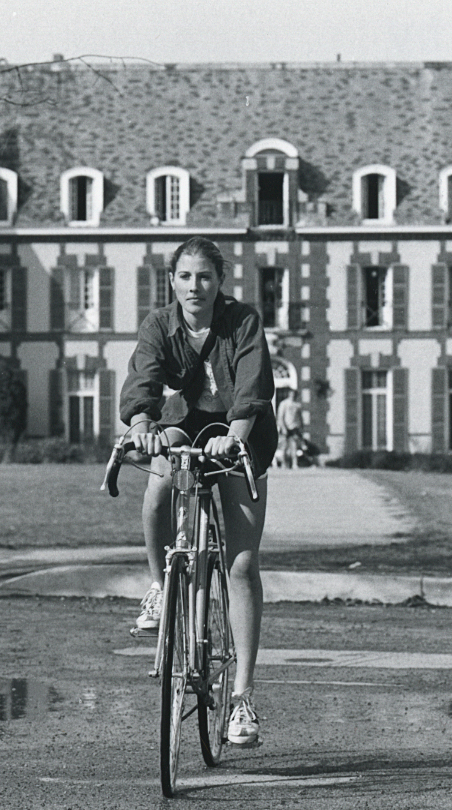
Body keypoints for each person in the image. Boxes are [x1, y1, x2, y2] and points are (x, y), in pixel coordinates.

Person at [118, 237, 275, 747]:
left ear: (218, 282)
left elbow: (252, 388)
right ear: (172, 280)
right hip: (185, 425)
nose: (194, 286)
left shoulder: (242, 322)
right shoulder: (159, 326)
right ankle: (161, 589)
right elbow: (142, 379)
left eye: (204, 276)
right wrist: (142, 423)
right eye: (185, 276)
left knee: (242, 564)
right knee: (161, 481)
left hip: (240, 435)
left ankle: (242, 698)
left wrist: (237, 438)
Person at [276, 395, 305, 469]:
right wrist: (283, 427)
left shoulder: (297, 405)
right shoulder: (284, 404)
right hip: (285, 427)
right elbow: (280, 416)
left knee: (294, 446)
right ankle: (284, 464)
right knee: (284, 447)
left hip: (294, 428)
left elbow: (300, 417)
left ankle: (294, 464)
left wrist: (301, 427)